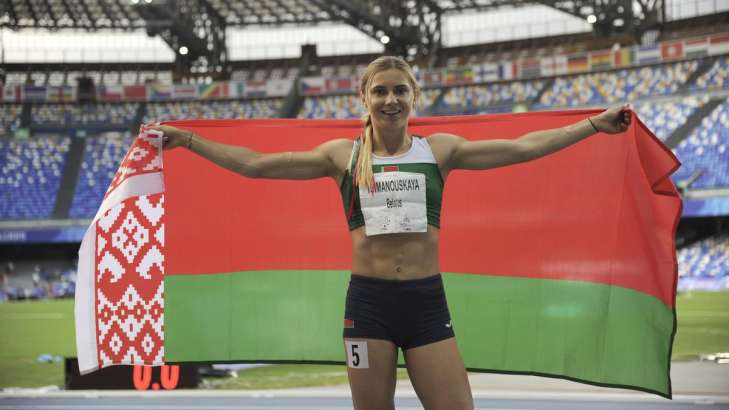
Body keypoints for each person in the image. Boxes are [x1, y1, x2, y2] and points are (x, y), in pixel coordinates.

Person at [151, 55, 630, 410]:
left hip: (426, 305)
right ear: (365, 98)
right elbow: (256, 166)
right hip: (368, 308)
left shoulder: (439, 151)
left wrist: (592, 125)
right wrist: (187, 140)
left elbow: (524, 148)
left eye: (400, 90)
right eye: (380, 91)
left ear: (413, 96)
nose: (391, 100)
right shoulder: (343, 156)